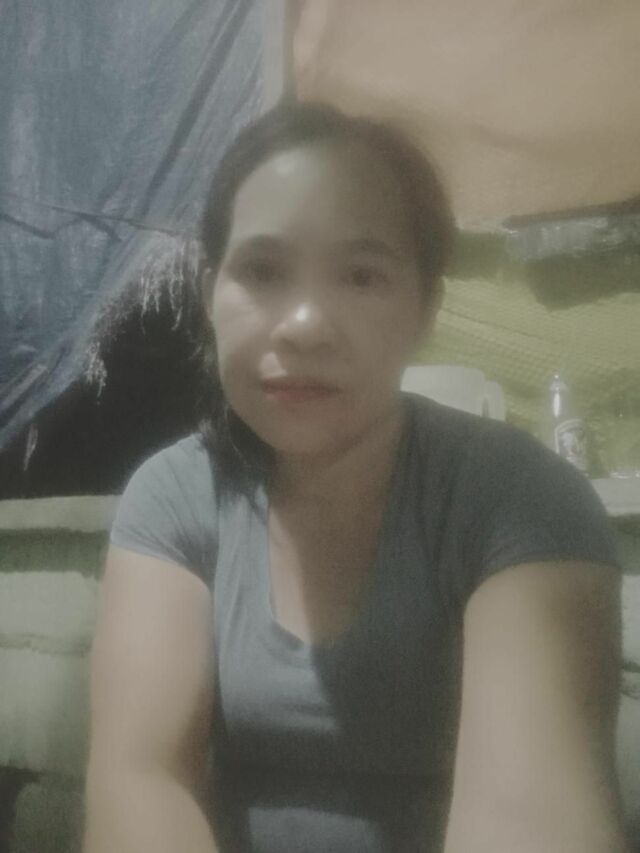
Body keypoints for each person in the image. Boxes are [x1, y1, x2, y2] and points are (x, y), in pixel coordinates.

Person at [84, 102, 631, 853]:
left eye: (362, 275)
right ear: (211, 293)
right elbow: (141, 781)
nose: (304, 323)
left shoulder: (518, 499)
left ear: (425, 307)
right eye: (262, 270)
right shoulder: (176, 497)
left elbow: (531, 822)